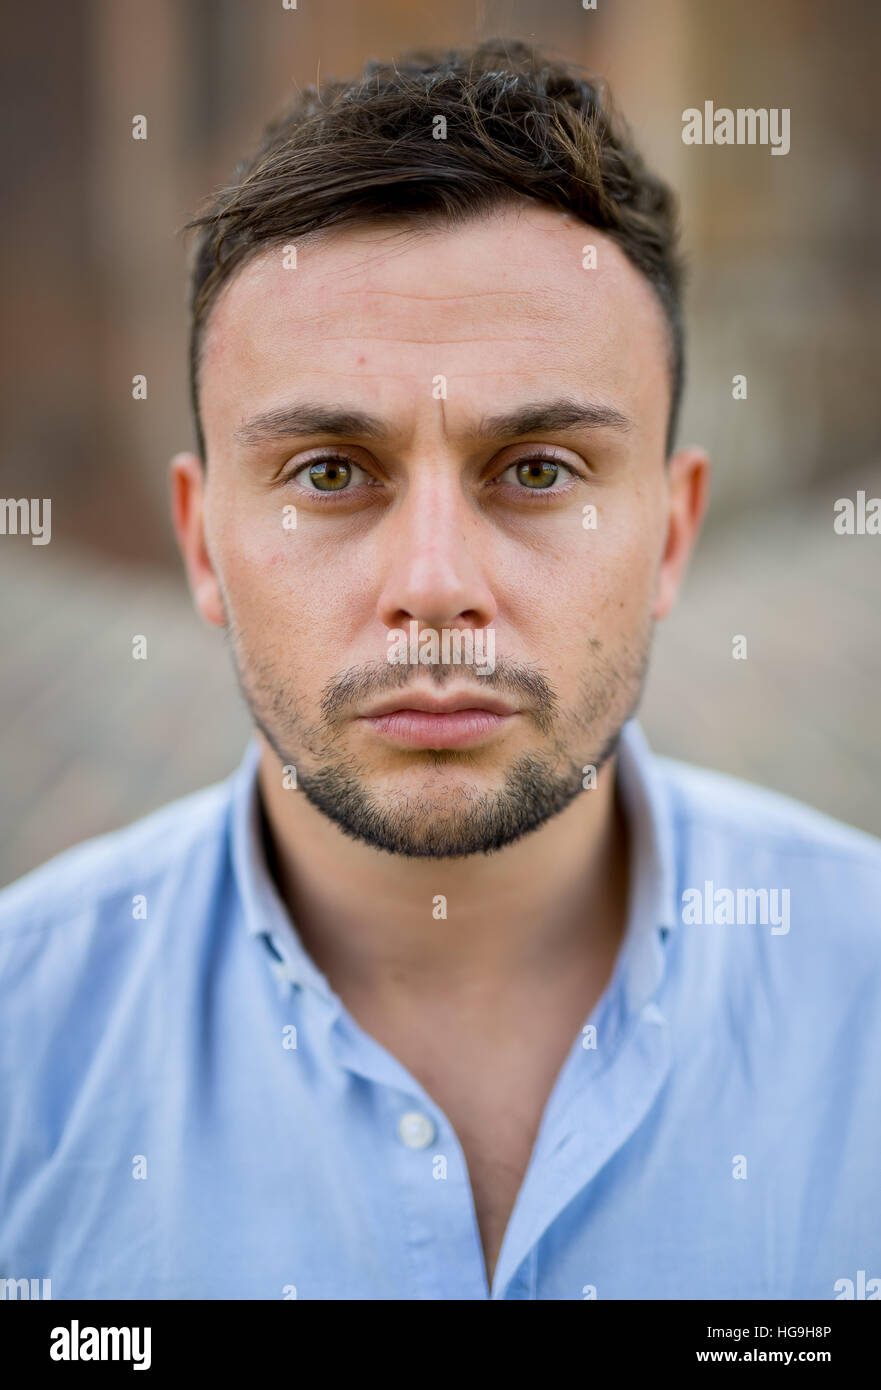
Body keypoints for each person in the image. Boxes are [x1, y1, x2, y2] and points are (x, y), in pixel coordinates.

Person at [1, 39, 879, 1302]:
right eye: (328, 473)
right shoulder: (23, 1046)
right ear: (201, 543)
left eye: (535, 470)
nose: (430, 581)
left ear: (671, 536)